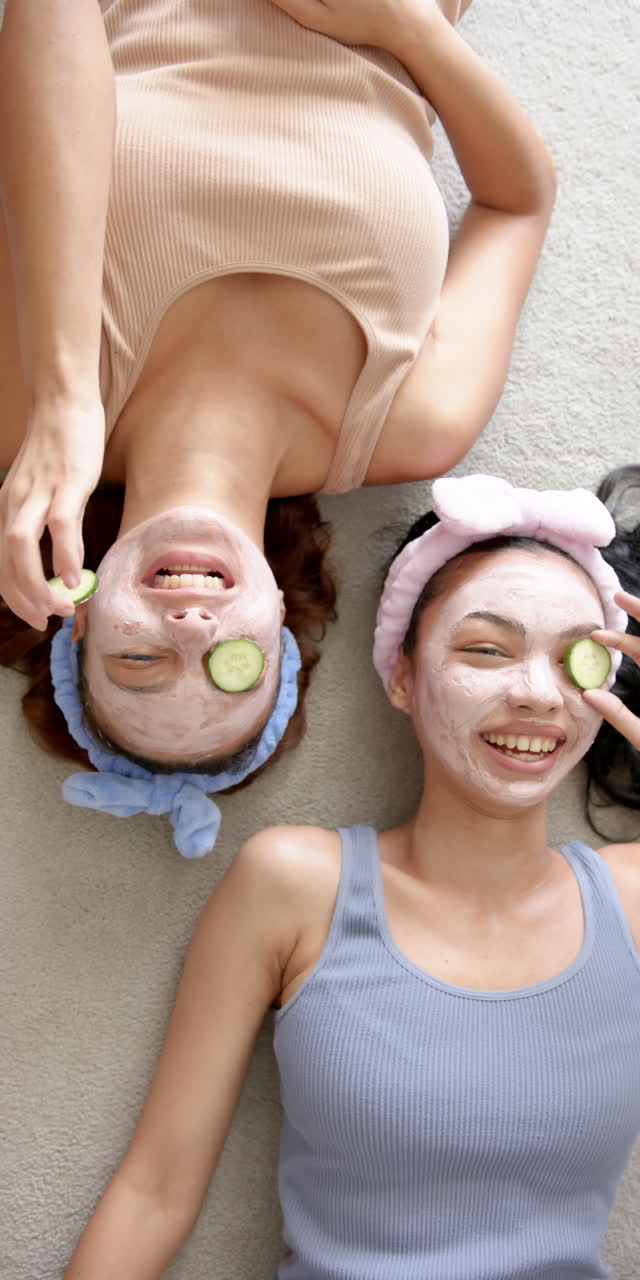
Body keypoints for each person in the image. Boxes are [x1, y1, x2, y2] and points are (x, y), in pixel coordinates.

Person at [62, 469, 640, 1279]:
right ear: (403, 676)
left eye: (577, 661)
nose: (537, 696)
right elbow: (156, 1192)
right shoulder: (296, 882)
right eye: (486, 648)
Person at [0, 0, 556, 853]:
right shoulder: (414, 429)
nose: (189, 633)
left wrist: (66, 393)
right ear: (280, 630)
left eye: (138, 663)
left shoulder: (31, 414)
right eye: (233, 668)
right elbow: (517, 203)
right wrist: (407, 30)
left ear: (79, 615)